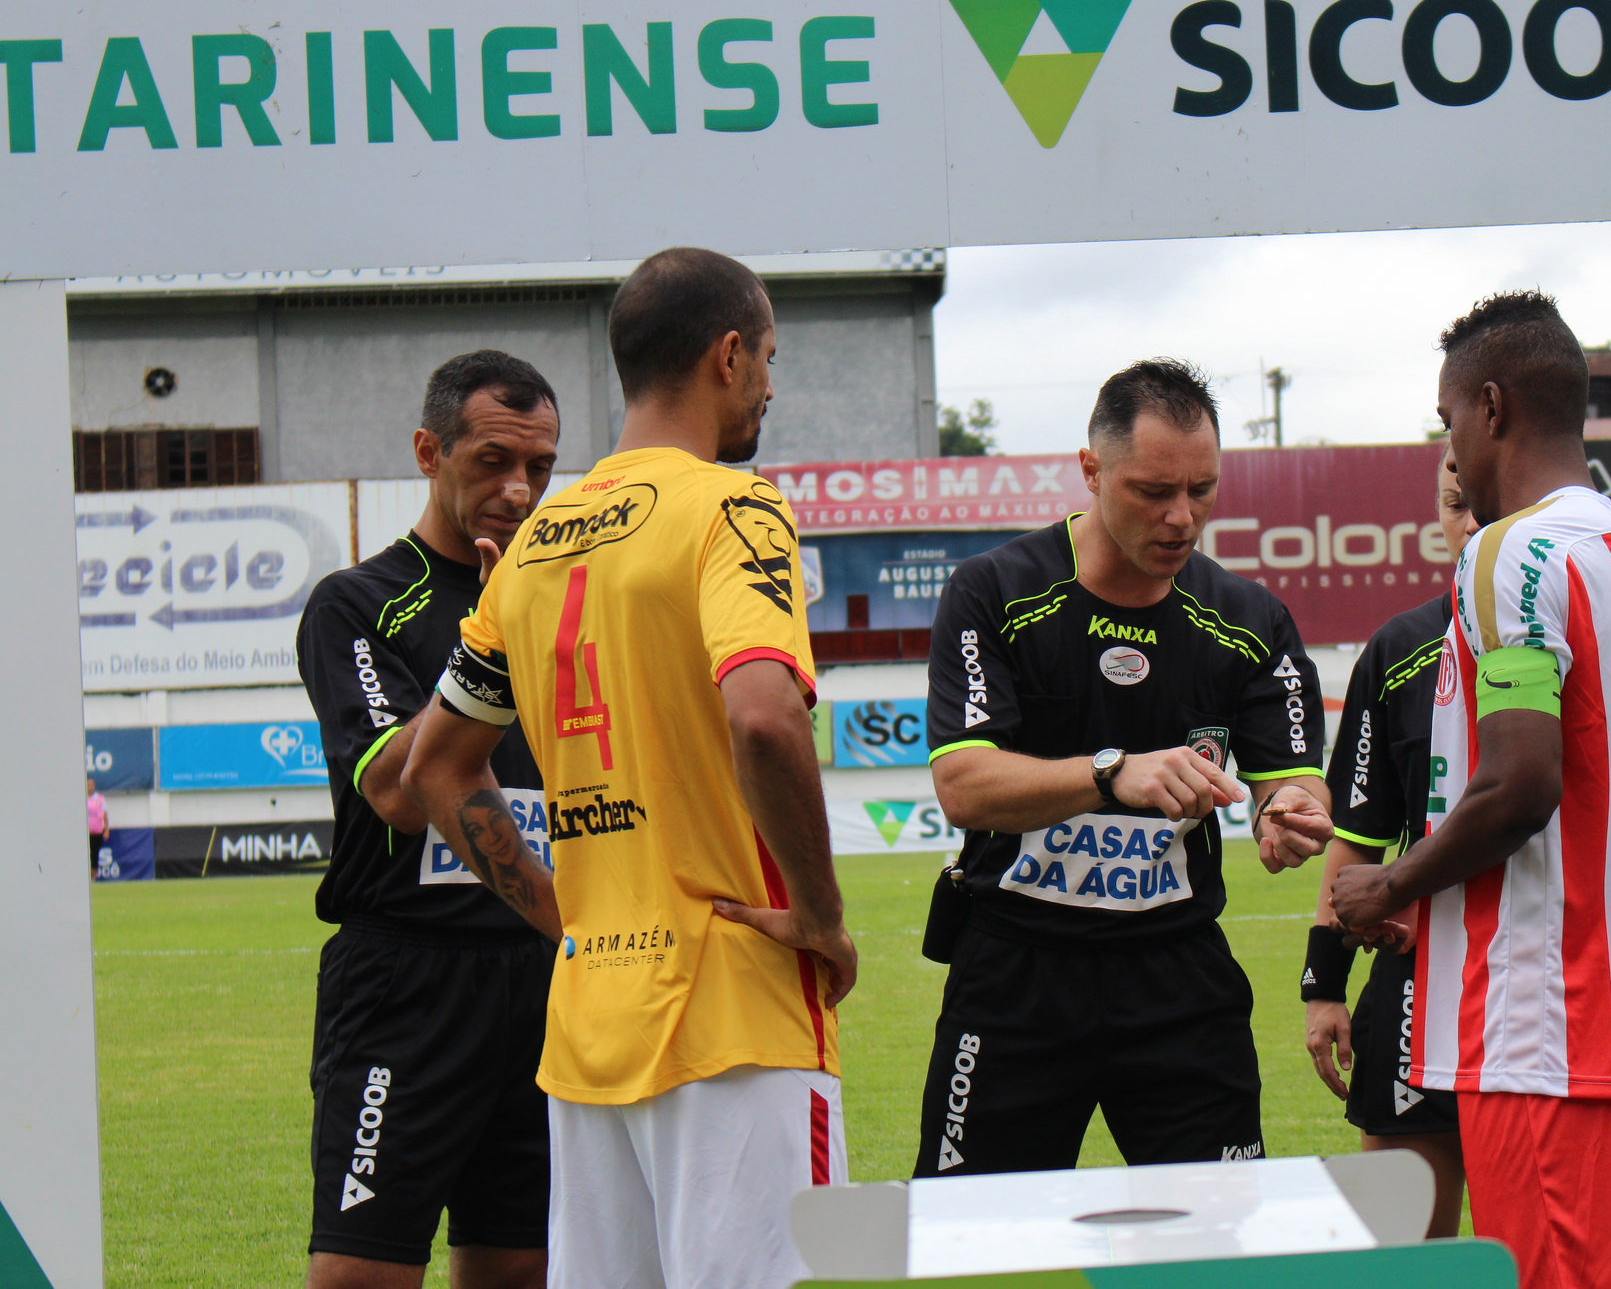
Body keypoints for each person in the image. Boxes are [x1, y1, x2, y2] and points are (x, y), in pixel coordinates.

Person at [403, 247, 857, 1289]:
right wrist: (821, 920)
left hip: (592, 1022)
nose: (772, 385)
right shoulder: (734, 509)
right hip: (732, 1007)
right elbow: (764, 720)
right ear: (728, 355)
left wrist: (570, 922)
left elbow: (438, 767)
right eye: (770, 356)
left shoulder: (531, 546)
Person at [1331, 291, 1611, 1289]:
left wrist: (1390, 886)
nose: (1450, 451)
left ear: (1489, 407)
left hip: (1535, 1026)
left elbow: (1520, 784)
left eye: (1448, 420)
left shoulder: (1509, 554)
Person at [915, 358, 1335, 1176]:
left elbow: (1294, 775)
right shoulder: (993, 592)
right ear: (1090, 470)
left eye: (1203, 490)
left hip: (1177, 979)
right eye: (1152, 491)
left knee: (1221, 1245)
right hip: (1016, 976)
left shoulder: (1250, 620)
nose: (1182, 517)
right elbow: (963, 784)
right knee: (980, 1245)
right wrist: (1112, 773)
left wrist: (1291, 811)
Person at [295, 350, 561, 1289]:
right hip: (405, 983)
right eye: (492, 460)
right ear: (428, 451)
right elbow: (403, 795)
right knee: (361, 1275)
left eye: (539, 465)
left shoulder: (560, 607)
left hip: (543, 973)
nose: (518, 488)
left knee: (521, 1265)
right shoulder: (356, 604)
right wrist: (492, 639)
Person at [1302, 446, 1476, 1239]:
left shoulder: (1603, 634)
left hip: (1553, 991)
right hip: (1418, 988)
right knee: (1409, 1252)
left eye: (1485, 501)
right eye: (1453, 503)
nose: (1470, 522)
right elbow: (1359, 839)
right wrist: (1324, 985)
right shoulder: (1401, 647)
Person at [86, 777, 107, 877]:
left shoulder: (99, 799)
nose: (90, 787)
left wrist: (106, 829)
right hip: (86, 833)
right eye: (88, 784)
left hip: (97, 831)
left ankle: (93, 877)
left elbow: (105, 815)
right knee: (86, 855)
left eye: (92, 784)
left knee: (95, 854)